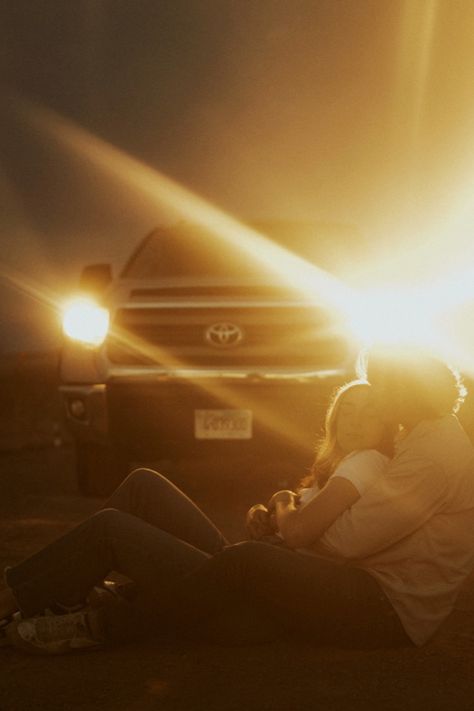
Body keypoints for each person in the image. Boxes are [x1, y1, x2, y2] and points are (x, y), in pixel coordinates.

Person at [0, 379, 393, 653]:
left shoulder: (366, 462)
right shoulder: (342, 466)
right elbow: (299, 525)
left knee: (111, 531)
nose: (355, 421)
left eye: (369, 413)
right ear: (334, 419)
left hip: (251, 608)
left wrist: (280, 502)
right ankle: (63, 595)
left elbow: (300, 534)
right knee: (143, 484)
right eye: (348, 411)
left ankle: (11, 600)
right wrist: (270, 511)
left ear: (386, 422)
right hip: (243, 578)